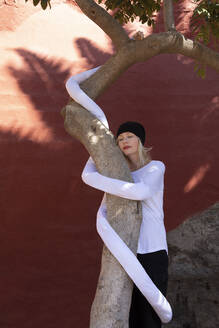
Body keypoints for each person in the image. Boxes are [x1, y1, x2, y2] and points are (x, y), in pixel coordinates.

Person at [65, 67, 172, 326]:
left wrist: (98, 181)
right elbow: (87, 177)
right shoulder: (119, 175)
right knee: (130, 315)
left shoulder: (155, 167)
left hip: (152, 250)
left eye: (129, 136)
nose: (124, 140)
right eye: (120, 137)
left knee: (150, 317)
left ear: (140, 140)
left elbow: (142, 192)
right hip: (127, 250)